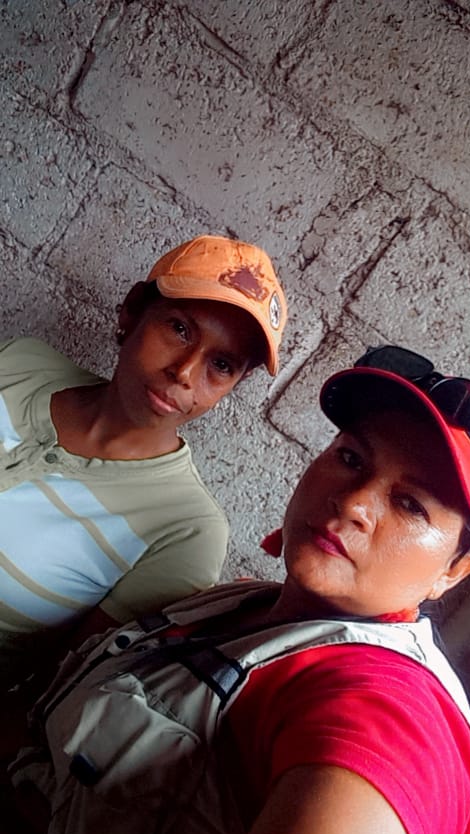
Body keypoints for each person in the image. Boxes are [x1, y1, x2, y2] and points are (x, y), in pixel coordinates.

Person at [8, 345, 470, 834]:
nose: (354, 504)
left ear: (453, 573)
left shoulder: (392, 706)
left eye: (411, 504)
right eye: (351, 458)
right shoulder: (241, 607)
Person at [0, 234, 288, 690]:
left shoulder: (186, 532)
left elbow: (58, 693)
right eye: (179, 329)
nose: (185, 372)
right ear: (132, 311)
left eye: (222, 365)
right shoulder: (22, 363)